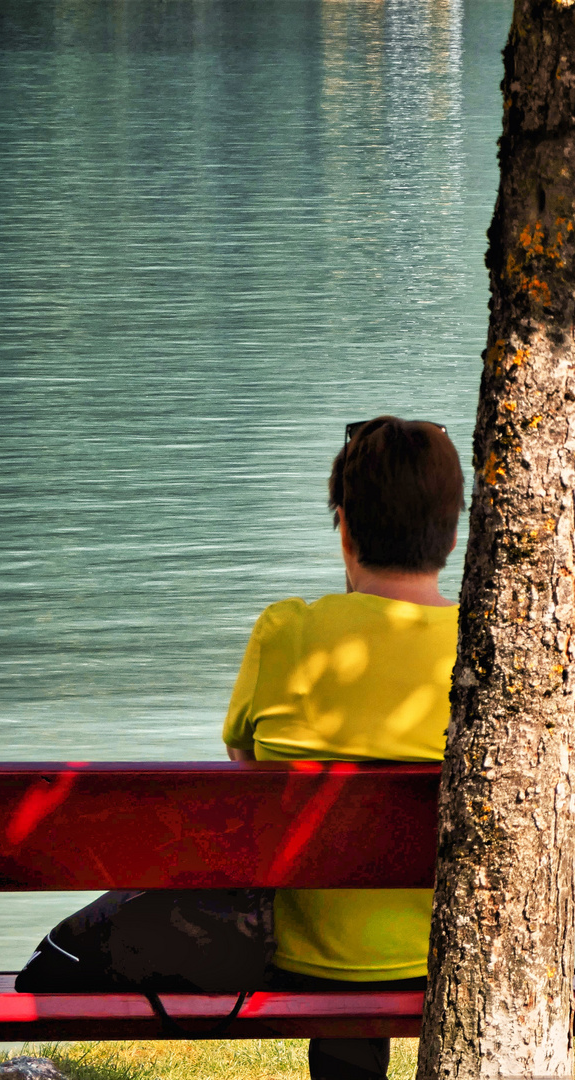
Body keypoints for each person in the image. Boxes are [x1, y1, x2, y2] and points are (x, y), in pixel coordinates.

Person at [223, 416, 463, 1080]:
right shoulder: (488, 643)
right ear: (450, 533)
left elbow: (244, 766)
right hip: (455, 942)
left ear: (345, 529)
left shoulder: (286, 632)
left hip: (305, 951)